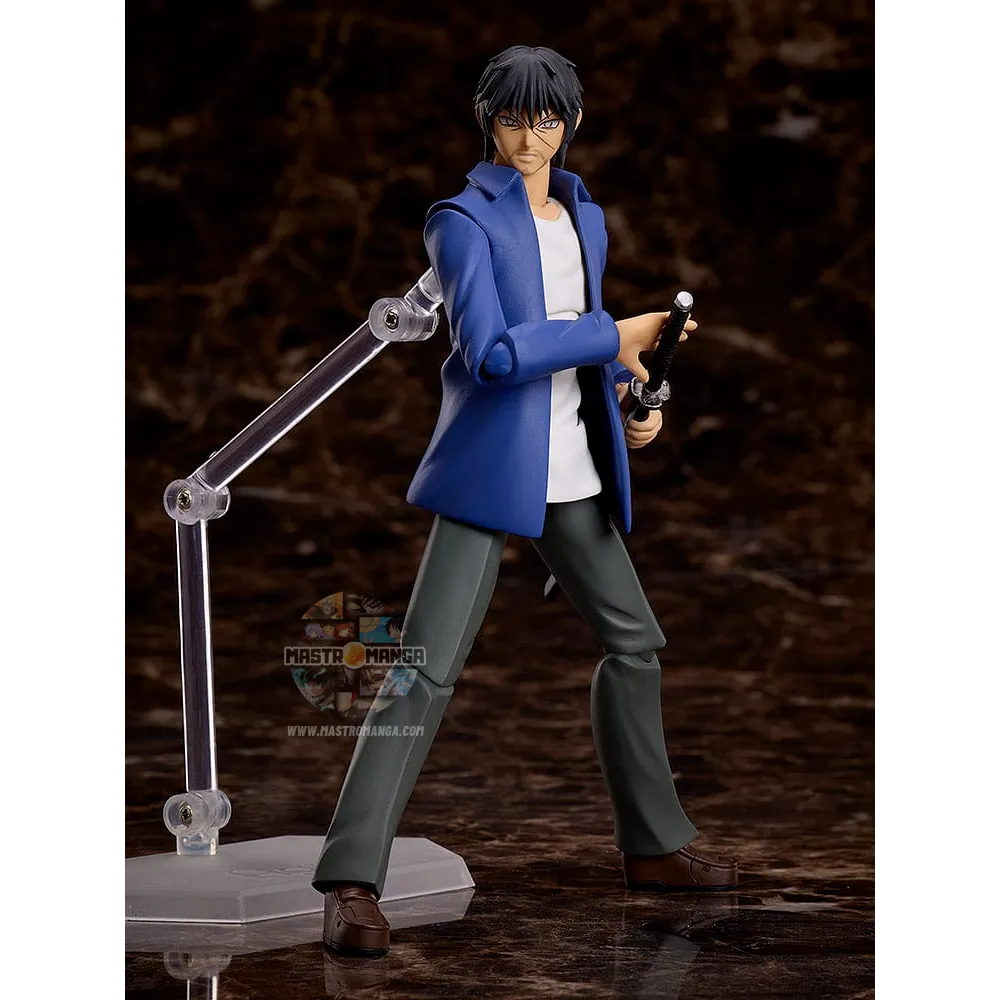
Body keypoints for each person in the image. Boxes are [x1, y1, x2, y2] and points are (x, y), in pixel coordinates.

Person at [315, 45, 738, 959]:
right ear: (488, 120)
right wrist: (613, 334)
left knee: (635, 643)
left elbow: (581, 349)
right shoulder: (461, 222)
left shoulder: (584, 216)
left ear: (572, 122)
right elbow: (493, 354)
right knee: (423, 669)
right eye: (513, 118)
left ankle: (653, 843)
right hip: (493, 471)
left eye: (547, 120)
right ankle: (350, 880)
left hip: (573, 466)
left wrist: (631, 391)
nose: (530, 137)